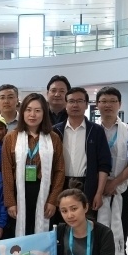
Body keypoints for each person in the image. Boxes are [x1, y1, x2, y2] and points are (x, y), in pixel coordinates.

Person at [1, 93, 65, 237]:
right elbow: (6, 171)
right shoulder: (11, 137)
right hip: (19, 192)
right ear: (22, 111)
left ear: (44, 113)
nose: (32, 115)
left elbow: (59, 170)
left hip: (44, 191)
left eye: (37, 110)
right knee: (19, 231)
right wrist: (10, 202)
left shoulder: (53, 137)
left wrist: (53, 200)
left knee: (43, 231)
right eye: (28, 110)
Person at [95, 87, 128, 255]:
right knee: (97, 238)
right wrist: (102, 186)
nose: (108, 105)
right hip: (96, 194)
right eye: (103, 101)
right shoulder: (92, 130)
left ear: (119, 104)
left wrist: (115, 183)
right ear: (97, 105)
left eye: (112, 101)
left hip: (121, 191)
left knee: (120, 237)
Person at [52, 87, 111, 219]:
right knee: (60, 224)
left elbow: (104, 165)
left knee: (85, 224)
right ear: (66, 104)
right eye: (71, 101)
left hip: (87, 186)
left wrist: (99, 193)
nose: (75, 105)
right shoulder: (55, 131)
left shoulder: (96, 131)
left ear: (86, 104)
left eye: (80, 101)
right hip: (60, 185)